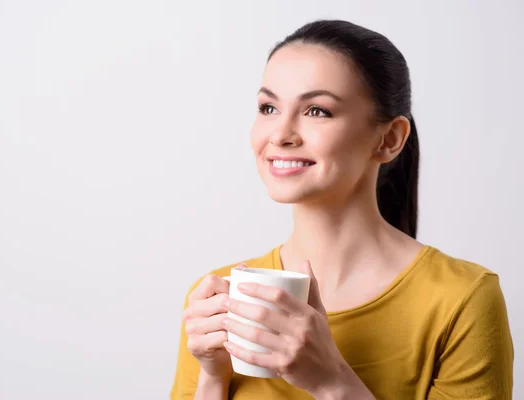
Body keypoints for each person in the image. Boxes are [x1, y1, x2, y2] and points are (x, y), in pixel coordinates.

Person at [170, 19, 514, 400]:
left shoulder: (461, 299)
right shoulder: (216, 298)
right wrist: (213, 378)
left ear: (390, 139)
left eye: (317, 111)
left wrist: (331, 382)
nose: (280, 134)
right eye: (268, 107)